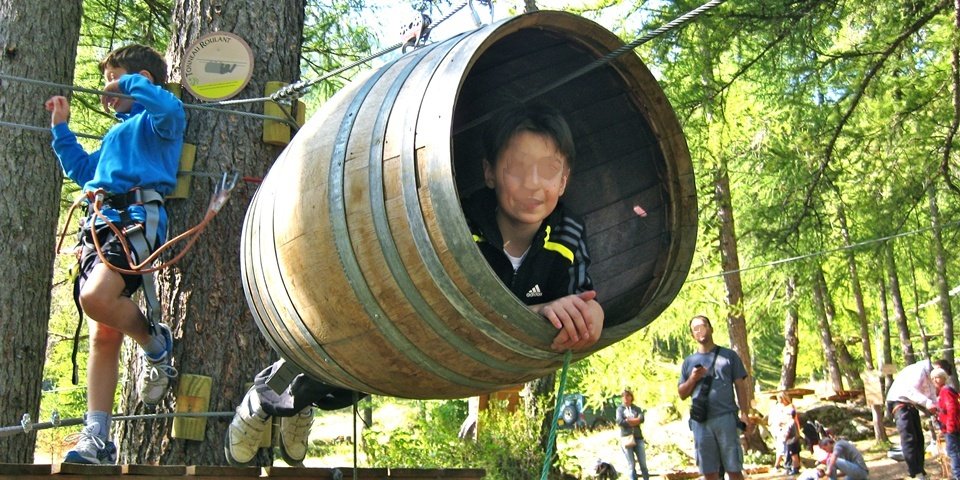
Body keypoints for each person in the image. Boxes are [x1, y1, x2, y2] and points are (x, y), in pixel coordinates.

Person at [225, 103, 605, 465]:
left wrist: (593, 313)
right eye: (517, 169)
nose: (533, 184)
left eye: (548, 170)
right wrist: (537, 311)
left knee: (368, 380)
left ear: (565, 179)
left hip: (467, 356)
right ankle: (265, 401)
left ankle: (299, 401)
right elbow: (454, 305)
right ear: (489, 172)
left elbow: (582, 294)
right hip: (417, 323)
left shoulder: (568, 233)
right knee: (358, 357)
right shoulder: (463, 221)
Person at [45, 44, 184, 465]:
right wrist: (61, 130)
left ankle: (154, 342)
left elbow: (165, 106)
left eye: (114, 83)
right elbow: (85, 172)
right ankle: (98, 437)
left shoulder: (159, 119)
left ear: (140, 79)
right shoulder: (116, 133)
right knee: (103, 330)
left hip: (136, 219)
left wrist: (130, 84)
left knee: (95, 300)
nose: (107, 95)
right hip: (100, 225)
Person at [677, 315, 750, 480]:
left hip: (726, 418)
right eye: (695, 329)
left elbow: (740, 385)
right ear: (692, 335)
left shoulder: (729, 356)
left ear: (710, 328)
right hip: (701, 423)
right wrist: (693, 378)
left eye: (702, 326)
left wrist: (744, 413)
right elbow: (682, 393)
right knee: (709, 471)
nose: (699, 330)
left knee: (734, 468)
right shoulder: (689, 362)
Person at [886, 358, 948, 480]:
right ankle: (916, 473)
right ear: (937, 367)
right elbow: (910, 390)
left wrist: (938, 411)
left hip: (911, 404)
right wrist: (928, 403)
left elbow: (932, 397)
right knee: (909, 438)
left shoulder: (930, 376)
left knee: (919, 438)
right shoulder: (919, 370)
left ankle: (920, 470)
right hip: (899, 402)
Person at [932, 366, 960, 479]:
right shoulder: (945, 391)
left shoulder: (945, 390)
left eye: (936, 378)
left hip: (952, 428)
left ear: (942, 378)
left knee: (954, 452)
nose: (934, 381)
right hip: (949, 427)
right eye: (932, 378)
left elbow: (951, 408)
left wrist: (950, 426)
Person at [616, 389, 650, 480]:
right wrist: (634, 421)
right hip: (626, 438)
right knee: (631, 465)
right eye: (623, 396)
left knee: (643, 464)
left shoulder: (636, 408)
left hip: (638, 438)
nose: (625, 398)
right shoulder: (620, 409)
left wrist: (629, 420)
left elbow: (641, 419)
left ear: (631, 397)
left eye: (627, 396)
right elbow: (620, 421)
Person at [771, 392, 802, 474]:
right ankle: (782, 466)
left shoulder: (790, 408)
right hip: (782, 431)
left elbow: (793, 419)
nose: (780, 401)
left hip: (789, 433)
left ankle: (792, 467)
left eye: (781, 399)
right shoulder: (779, 407)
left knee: (791, 451)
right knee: (784, 450)